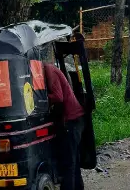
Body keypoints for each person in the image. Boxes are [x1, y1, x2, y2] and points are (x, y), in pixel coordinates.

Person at [44, 62, 85, 190]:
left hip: (71, 120)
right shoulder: (48, 70)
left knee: (69, 163)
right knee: (73, 162)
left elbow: (58, 96)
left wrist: (39, 98)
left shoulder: (49, 70)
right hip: (74, 119)